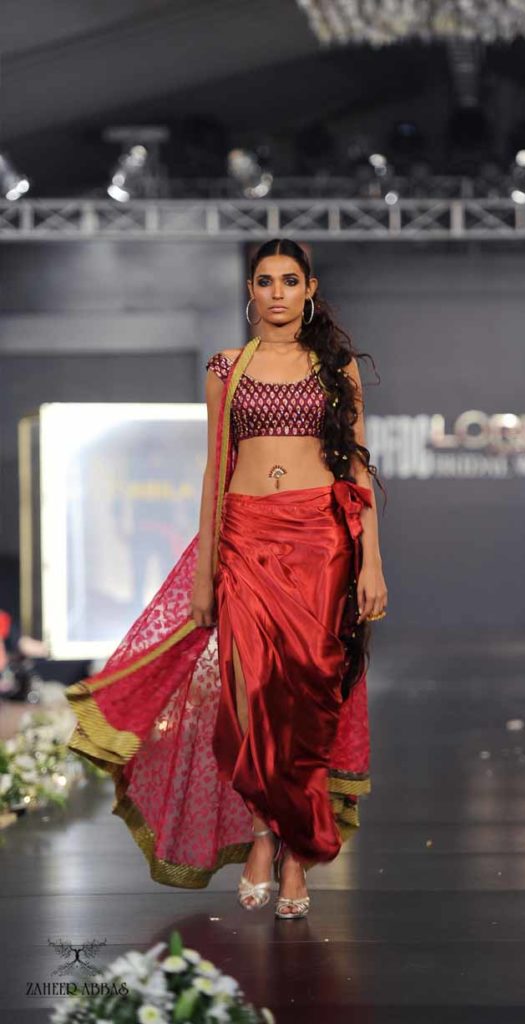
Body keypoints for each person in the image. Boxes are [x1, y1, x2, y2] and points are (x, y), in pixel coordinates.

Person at [65, 237, 387, 920]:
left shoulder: (335, 370)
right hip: (244, 539)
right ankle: (265, 836)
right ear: (250, 291)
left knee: (306, 701)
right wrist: (205, 573)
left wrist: (372, 564)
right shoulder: (226, 368)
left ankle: (293, 853)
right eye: (265, 280)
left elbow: (358, 471)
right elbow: (217, 468)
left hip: (320, 544)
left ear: (310, 289)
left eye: (290, 280)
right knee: (249, 699)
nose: (277, 293)